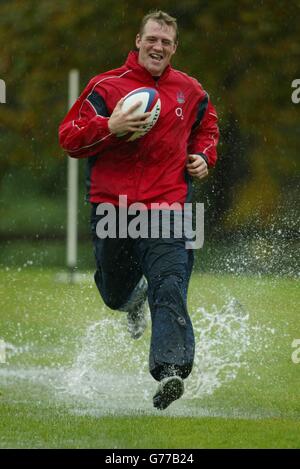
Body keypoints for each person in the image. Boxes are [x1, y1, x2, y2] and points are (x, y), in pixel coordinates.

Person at [59, 10, 219, 410]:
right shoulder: (106, 87)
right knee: (114, 294)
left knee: (170, 284)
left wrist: (203, 156)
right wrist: (109, 128)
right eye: (152, 39)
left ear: (174, 48)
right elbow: (69, 139)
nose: (158, 47)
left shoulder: (191, 90)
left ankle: (170, 371)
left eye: (166, 42)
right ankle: (132, 302)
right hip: (113, 209)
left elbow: (207, 129)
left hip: (168, 208)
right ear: (138, 41)